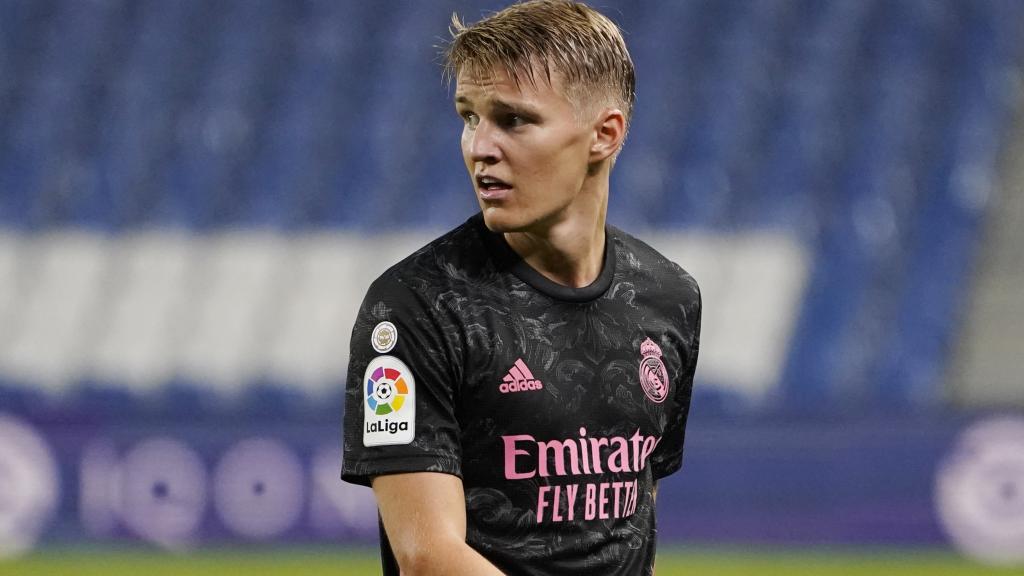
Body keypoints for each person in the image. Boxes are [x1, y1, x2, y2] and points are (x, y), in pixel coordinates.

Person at [341, 1, 701, 574]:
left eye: (513, 120)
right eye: (469, 116)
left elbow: (632, 522)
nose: (480, 147)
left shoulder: (668, 297)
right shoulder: (415, 306)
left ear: (604, 135)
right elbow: (429, 557)